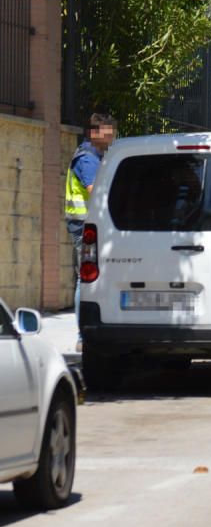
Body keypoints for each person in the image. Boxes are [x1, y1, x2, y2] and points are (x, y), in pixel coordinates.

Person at [65, 113, 117, 350]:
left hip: (89, 224)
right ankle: (82, 336)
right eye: (109, 131)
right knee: (84, 279)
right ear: (94, 133)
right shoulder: (87, 158)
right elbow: (95, 190)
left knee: (89, 278)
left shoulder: (95, 156)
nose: (112, 135)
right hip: (83, 226)